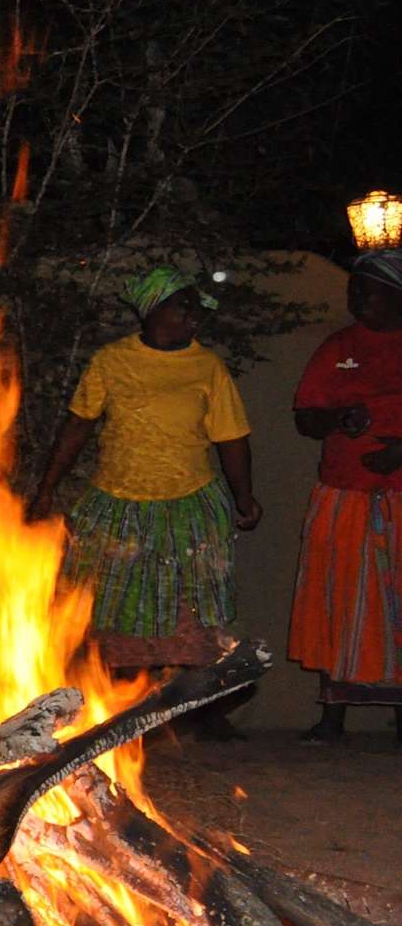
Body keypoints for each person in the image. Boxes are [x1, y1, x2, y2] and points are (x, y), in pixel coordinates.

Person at [31, 268, 261, 697]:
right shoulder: (111, 361)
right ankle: (119, 701)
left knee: (188, 611)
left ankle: (191, 705)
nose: (194, 315)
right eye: (183, 306)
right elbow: (78, 427)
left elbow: (232, 439)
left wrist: (244, 498)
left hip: (189, 505)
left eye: (196, 308)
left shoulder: (207, 367)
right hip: (117, 505)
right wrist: (46, 490)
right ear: (153, 309)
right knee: (116, 608)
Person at [289, 251, 402, 745]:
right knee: (337, 601)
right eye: (353, 290)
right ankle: (332, 716)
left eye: (368, 290)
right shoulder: (338, 347)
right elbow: (305, 417)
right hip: (344, 493)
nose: (357, 299)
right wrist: (339, 419)